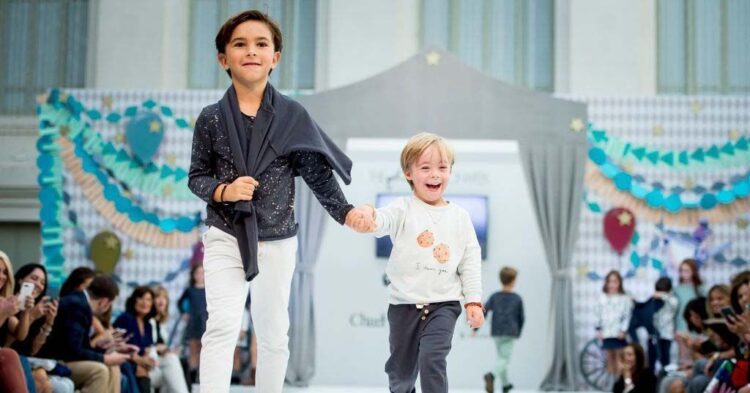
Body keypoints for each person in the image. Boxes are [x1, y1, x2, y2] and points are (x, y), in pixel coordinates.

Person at [187, 9, 368, 392]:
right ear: (223, 58)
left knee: (274, 332)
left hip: (279, 238)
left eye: (261, 44)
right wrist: (225, 190)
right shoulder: (210, 119)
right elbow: (197, 177)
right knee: (222, 325)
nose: (251, 51)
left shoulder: (292, 115)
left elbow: (318, 173)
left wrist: (346, 212)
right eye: (240, 44)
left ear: (275, 57)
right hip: (225, 234)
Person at [350, 132, 484, 393]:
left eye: (442, 168)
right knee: (400, 375)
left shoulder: (460, 217)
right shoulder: (402, 208)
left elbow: (470, 261)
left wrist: (473, 301)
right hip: (403, 307)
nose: (435, 174)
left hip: (443, 305)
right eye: (425, 168)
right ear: (408, 173)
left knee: (433, 359)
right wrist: (368, 214)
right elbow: (380, 220)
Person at [38, 274, 129, 393]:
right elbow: (73, 351)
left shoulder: (79, 302)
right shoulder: (78, 306)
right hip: (53, 360)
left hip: (62, 357)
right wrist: (104, 358)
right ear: (104, 302)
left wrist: (100, 349)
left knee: (112, 367)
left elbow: (78, 345)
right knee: (100, 371)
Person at [482, 266, 524, 393]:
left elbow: (484, 310)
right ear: (513, 281)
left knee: (501, 358)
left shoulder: (495, 296)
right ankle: (492, 375)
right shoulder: (517, 298)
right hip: (510, 331)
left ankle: (505, 385)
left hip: (496, 331)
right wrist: (519, 332)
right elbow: (521, 317)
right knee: (504, 359)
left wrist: (476, 327)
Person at [150, 286, 189, 393]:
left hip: (160, 366)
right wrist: (158, 349)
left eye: (164, 298)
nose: (161, 300)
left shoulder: (162, 324)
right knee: (171, 362)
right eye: (158, 297)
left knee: (173, 368)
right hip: (150, 366)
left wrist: (168, 350)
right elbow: (146, 347)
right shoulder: (147, 321)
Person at [595, 270, 633, 375]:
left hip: (618, 333)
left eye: (615, 281)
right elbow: (597, 314)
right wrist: (598, 330)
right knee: (610, 358)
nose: (612, 284)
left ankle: (621, 382)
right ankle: (613, 383)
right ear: (606, 283)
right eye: (610, 281)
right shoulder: (601, 297)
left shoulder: (624, 298)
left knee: (620, 358)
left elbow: (627, 316)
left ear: (619, 283)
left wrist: (623, 330)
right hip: (606, 332)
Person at [177, 264, 206, 384]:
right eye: (197, 273)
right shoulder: (190, 290)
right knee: (193, 350)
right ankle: (192, 377)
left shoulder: (210, 288)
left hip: (205, 322)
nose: (200, 276)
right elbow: (179, 303)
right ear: (193, 275)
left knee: (204, 351)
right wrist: (184, 313)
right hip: (193, 322)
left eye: (202, 273)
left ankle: (202, 376)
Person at [674, 259, 705, 366]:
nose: (684, 273)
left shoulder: (702, 289)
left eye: (687, 270)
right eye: (681, 271)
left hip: (698, 330)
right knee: (684, 361)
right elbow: (674, 312)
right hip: (681, 328)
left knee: (699, 357)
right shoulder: (676, 290)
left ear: (694, 271)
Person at [651, 277, 678, 373]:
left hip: (667, 333)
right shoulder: (655, 300)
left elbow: (674, 305)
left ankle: (666, 374)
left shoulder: (672, 299)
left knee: (666, 357)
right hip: (656, 332)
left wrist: (663, 295)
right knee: (656, 357)